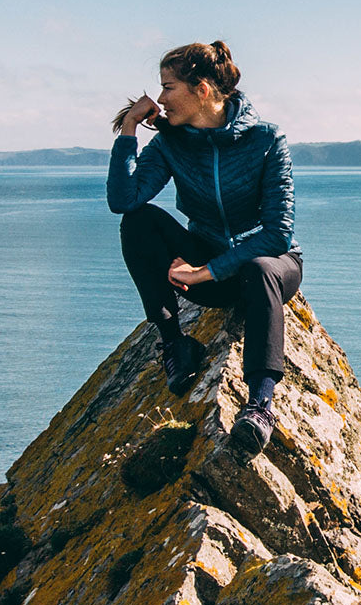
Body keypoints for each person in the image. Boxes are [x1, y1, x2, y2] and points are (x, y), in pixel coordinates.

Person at [106, 40, 303, 454]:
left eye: (168, 86)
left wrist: (203, 272)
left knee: (263, 267)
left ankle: (260, 405)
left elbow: (277, 234)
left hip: (267, 269)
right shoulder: (170, 144)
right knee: (138, 221)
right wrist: (128, 130)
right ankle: (174, 341)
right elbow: (124, 200)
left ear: (202, 89)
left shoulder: (266, 139)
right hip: (209, 261)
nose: (159, 99)